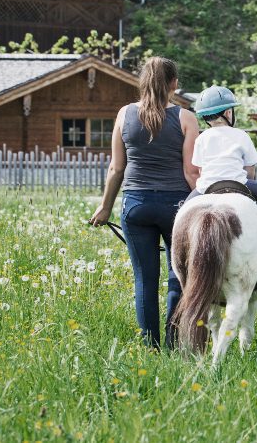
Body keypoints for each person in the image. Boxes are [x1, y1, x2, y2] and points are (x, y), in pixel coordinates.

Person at [89, 57, 200, 350]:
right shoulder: (186, 117)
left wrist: (105, 207)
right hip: (176, 207)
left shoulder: (124, 114)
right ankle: (174, 343)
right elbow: (190, 171)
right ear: (174, 83)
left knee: (145, 282)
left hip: (135, 205)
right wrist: (206, 203)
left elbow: (116, 168)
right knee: (178, 278)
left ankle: (150, 348)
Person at [186, 85, 257, 243]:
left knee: (184, 209)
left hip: (206, 187)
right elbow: (250, 171)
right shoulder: (241, 135)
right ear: (228, 112)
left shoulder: (202, 138)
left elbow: (201, 171)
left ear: (205, 117)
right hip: (238, 183)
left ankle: (183, 243)